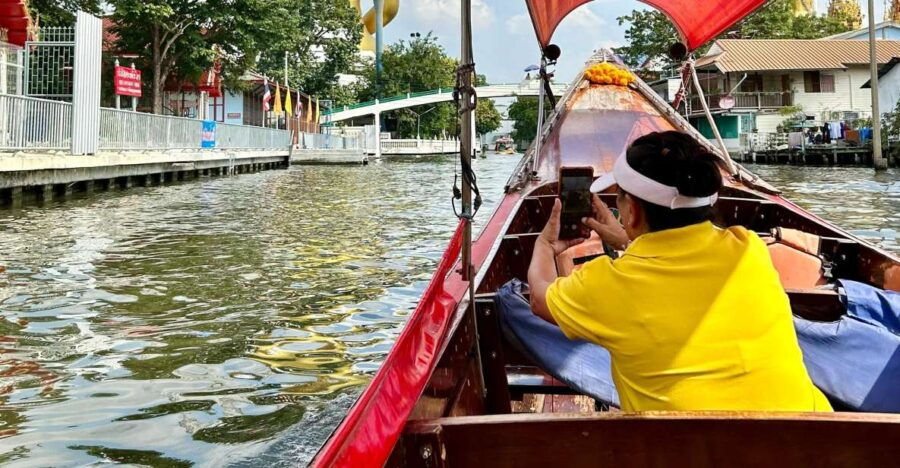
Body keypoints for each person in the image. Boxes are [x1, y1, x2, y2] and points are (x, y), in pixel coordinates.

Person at [526, 131, 831, 412]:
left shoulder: (610, 283)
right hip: (810, 443)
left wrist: (545, 245)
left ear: (631, 210)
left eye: (618, 198)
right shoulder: (749, 248)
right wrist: (626, 238)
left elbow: (540, 299)